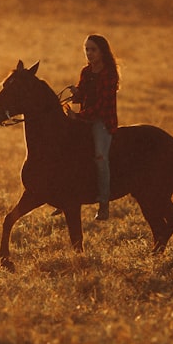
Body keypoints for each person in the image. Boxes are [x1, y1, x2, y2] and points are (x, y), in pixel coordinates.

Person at [69, 34, 119, 221]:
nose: (89, 53)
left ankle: (104, 203)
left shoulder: (109, 74)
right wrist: (76, 94)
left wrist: (79, 116)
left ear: (102, 52)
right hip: (85, 118)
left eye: (93, 49)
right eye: (87, 49)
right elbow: (83, 97)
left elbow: (102, 106)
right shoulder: (86, 71)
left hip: (102, 122)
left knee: (100, 157)